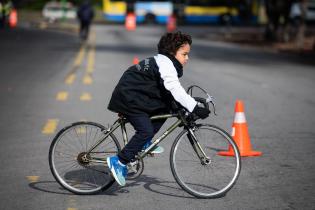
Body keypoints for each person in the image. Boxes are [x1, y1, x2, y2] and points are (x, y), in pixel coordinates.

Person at [106, 31, 210, 186]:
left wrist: (185, 107)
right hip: (129, 97)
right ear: (172, 52)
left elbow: (169, 95)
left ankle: (143, 143)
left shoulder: (164, 62)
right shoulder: (166, 64)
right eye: (184, 54)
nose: (187, 58)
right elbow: (174, 89)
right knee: (145, 130)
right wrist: (194, 107)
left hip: (137, 95)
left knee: (167, 108)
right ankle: (119, 161)